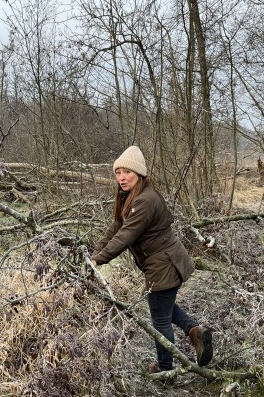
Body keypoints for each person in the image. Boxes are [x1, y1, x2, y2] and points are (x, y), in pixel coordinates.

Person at [90, 145, 213, 372]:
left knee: (160, 319)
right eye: (118, 172)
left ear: (139, 173)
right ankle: (195, 331)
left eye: (127, 172)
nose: (122, 177)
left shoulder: (145, 200)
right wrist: (95, 255)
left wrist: (100, 260)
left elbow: (126, 235)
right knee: (163, 307)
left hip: (163, 263)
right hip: (166, 261)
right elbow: (116, 227)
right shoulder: (130, 196)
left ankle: (165, 369)